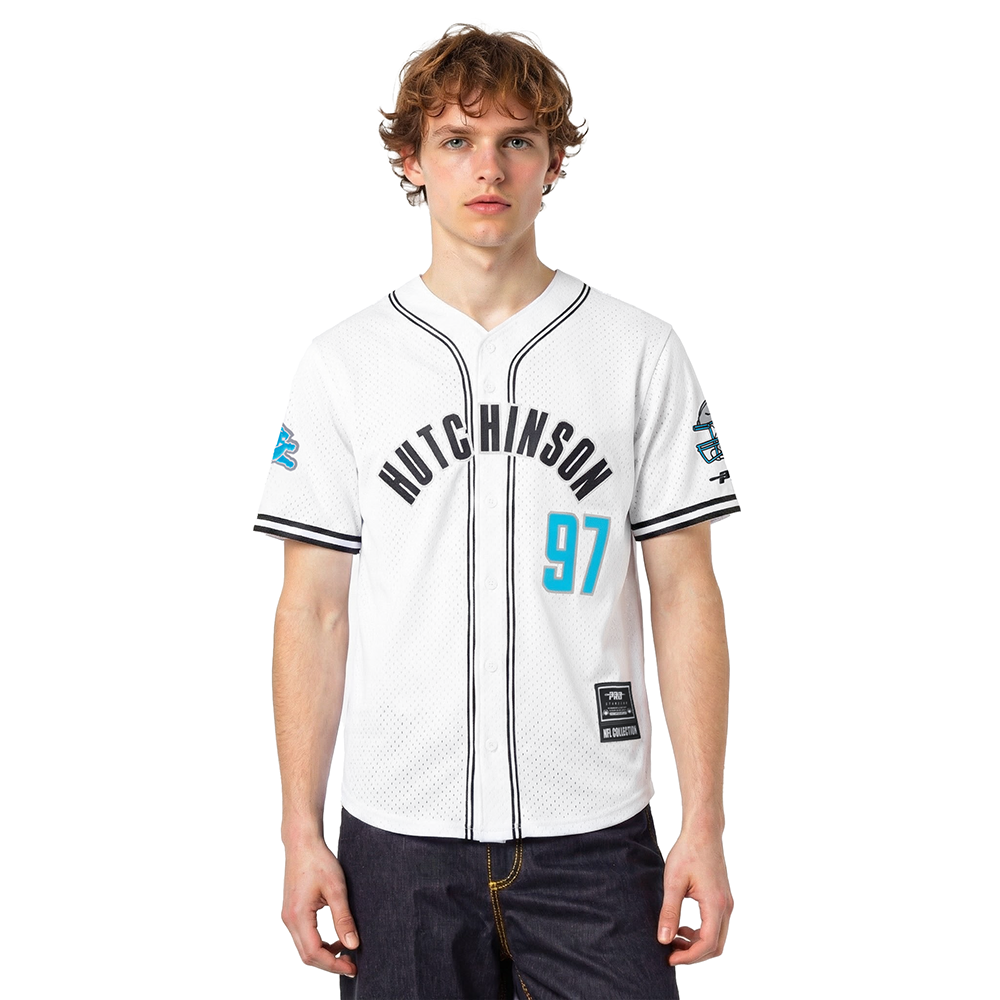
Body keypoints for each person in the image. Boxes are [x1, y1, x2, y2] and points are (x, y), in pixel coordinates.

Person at [253, 23, 739, 999]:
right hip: (399, 839)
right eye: (457, 140)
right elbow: (312, 609)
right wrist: (300, 831)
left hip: (594, 831)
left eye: (517, 140)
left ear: (553, 161)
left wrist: (705, 821)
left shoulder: (636, 351)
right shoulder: (345, 363)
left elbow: (685, 591)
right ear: (411, 160)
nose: (489, 168)